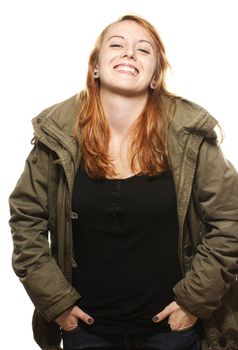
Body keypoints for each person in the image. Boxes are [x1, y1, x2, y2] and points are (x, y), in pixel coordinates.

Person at [9, 14, 238, 350]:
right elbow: (25, 219)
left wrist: (192, 303)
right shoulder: (56, 134)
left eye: (143, 50)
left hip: (171, 334)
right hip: (84, 332)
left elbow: (230, 219)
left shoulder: (190, 135)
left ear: (156, 76)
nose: (130, 53)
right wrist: (57, 303)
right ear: (96, 67)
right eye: (117, 45)